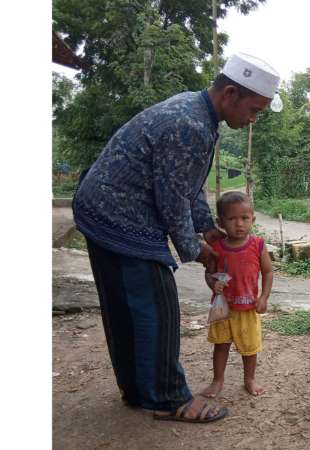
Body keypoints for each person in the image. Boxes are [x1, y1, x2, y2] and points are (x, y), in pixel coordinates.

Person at [72, 53, 281, 423]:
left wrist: (206, 228)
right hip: (119, 216)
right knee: (157, 310)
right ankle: (169, 399)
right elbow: (171, 200)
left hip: (101, 210)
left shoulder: (196, 112)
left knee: (125, 309)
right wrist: (197, 250)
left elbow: (189, 185)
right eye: (254, 110)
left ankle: (139, 390)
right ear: (230, 93)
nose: (253, 120)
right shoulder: (191, 125)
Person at [202, 192, 273, 397]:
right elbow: (209, 272)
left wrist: (264, 297)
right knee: (221, 346)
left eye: (244, 218)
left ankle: (249, 379)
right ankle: (217, 381)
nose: (239, 224)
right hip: (222, 309)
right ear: (220, 222)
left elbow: (268, 272)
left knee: (250, 349)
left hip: (248, 309)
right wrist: (212, 284)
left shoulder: (258, 245)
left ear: (253, 219)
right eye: (232, 219)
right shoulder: (216, 248)